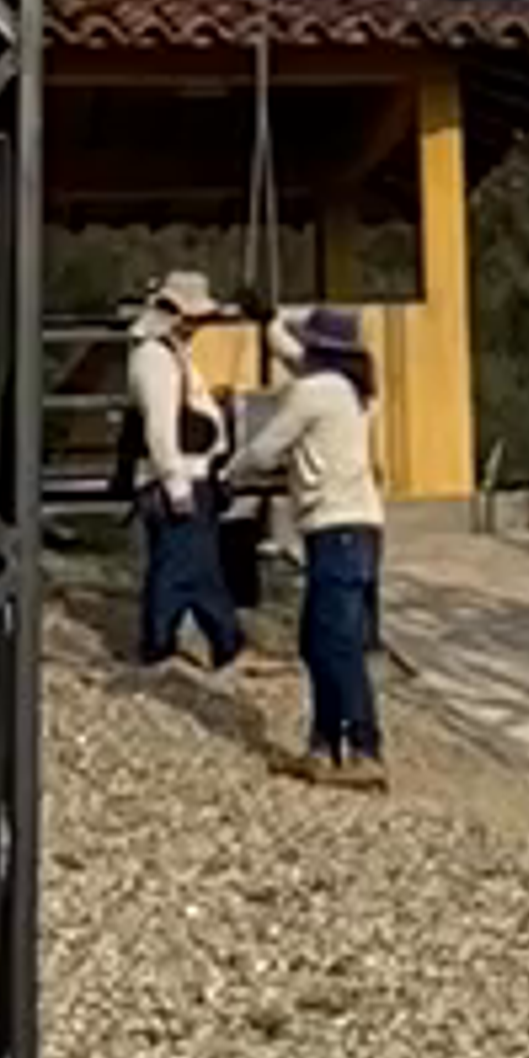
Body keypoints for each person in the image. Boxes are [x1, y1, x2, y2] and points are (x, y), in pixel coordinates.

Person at [228, 305, 387, 769]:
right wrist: (270, 319)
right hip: (361, 528)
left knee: (332, 643)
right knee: (329, 640)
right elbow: (292, 353)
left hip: (334, 529)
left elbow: (265, 449)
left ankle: (362, 746)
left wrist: (226, 472)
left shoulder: (313, 393)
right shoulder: (351, 391)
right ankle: (324, 743)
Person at [125, 266, 240, 670]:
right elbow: (160, 428)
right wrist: (176, 485)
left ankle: (214, 642)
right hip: (179, 477)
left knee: (193, 566)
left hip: (193, 473)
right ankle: (166, 644)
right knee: (183, 570)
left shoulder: (168, 354)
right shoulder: (155, 359)